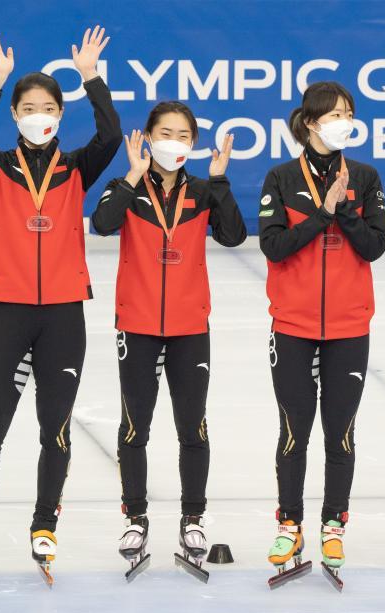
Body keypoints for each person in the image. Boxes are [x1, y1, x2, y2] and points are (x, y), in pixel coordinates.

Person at [0, 26, 120, 581]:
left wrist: (91, 77)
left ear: (60, 114)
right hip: (10, 310)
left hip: (64, 314)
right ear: (15, 114)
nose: (38, 115)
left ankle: (45, 524)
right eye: (28, 108)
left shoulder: (78, 168)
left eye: (47, 108)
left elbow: (112, 135)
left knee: (56, 428)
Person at [91, 102, 246, 580]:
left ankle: (193, 519)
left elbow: (234, 236)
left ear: (193, 143)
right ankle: (135, 519)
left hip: (189, 326)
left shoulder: (201, 191)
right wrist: (133, 175)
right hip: (136, 324)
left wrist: (219, 181)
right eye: (165, 133)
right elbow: (101, 223)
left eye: (182, 136)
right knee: (134, 426)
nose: (173, 143)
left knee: (192, 427)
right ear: (147, 137)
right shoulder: (128, 187)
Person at [257, 81, 385, 584]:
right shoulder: (281, 178)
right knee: (294, 431)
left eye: (348, 113)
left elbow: (374, 246)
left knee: (341, 431)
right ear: (310, 122)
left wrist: (345, 209)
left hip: (349, 324)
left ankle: (334, 523)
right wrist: (323, 213)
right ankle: (289, 524)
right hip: (293, 322)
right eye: (334, 114)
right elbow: (274, 246)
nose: (343, 122)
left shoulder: (366, 177)